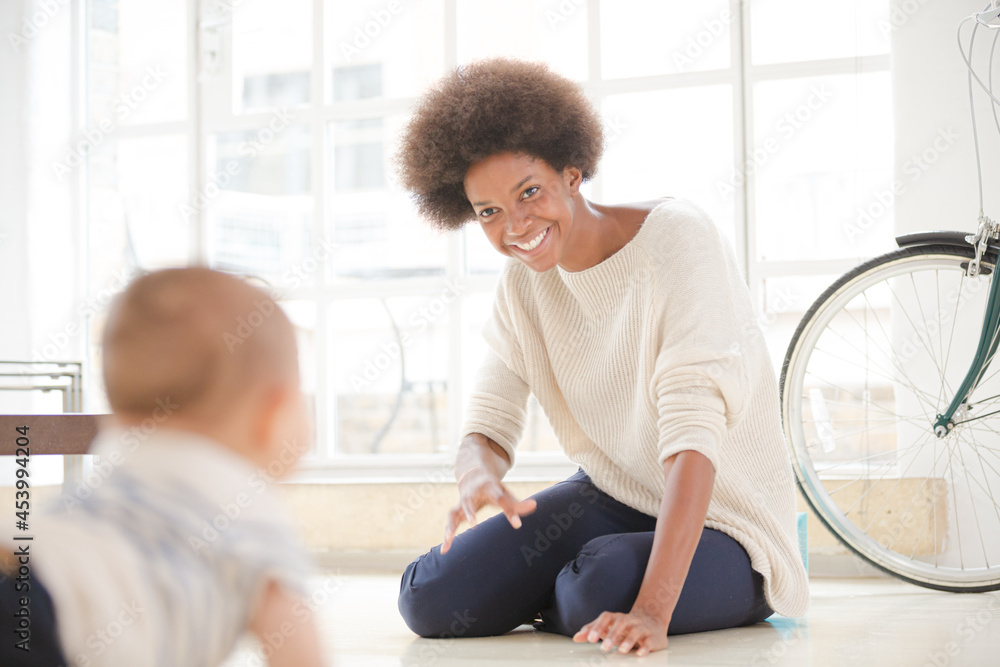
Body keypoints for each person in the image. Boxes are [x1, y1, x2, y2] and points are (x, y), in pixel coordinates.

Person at [393, 58, 809, 657]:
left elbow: (694, 438)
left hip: (729, 522)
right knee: (430, 598)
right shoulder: (524, 285)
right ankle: (559, 593)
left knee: (598, 590)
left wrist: (651, 612)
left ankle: (572, 592)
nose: (515, 226)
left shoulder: (677, 240)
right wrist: (477, 471)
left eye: (528, 192)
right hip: (613, 498)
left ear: (573, 172)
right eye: (488, 212)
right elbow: (490, 415)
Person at [0, 268, 324, 667]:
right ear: (272, 414)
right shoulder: (249, 509)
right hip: (48, 623)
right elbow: (300, 654)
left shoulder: (121, 469)